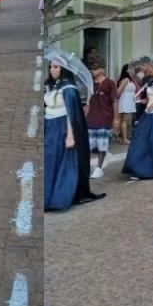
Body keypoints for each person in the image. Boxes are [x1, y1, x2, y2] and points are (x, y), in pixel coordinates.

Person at [44, 60, 104, 210]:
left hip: (62, 128)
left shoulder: (69, 88)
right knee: (50, 159)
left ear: (63, 69)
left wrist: (70, 135)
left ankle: (61, 195)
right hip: (49, 126)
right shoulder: (50, 85)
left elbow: (73, 115)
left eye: (56, 67)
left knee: (63, 161)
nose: (52, 70)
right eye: (50, 67)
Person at [85, 61, 118, 179]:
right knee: (88, 146)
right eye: (91, 68)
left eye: (95, 68)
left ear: (102, 69)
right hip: (91, 119)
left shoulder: (110, 83)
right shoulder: (90, 84)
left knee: (102, 145)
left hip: (105, 119)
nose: (92, 71)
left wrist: (116, 118)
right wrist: (85, 117)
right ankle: (85, 168)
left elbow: (114, 101)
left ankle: (99, 168)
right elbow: (88, 103)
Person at [116, 64, 137, 143]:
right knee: (124, 120)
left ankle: (127, 136)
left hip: (130, 102)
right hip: (125, 102)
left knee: (128, 121)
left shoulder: (130, 79)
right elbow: (118, 92)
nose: (133, 71)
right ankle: (124, 138)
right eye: (132, 69)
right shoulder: (125, 80)